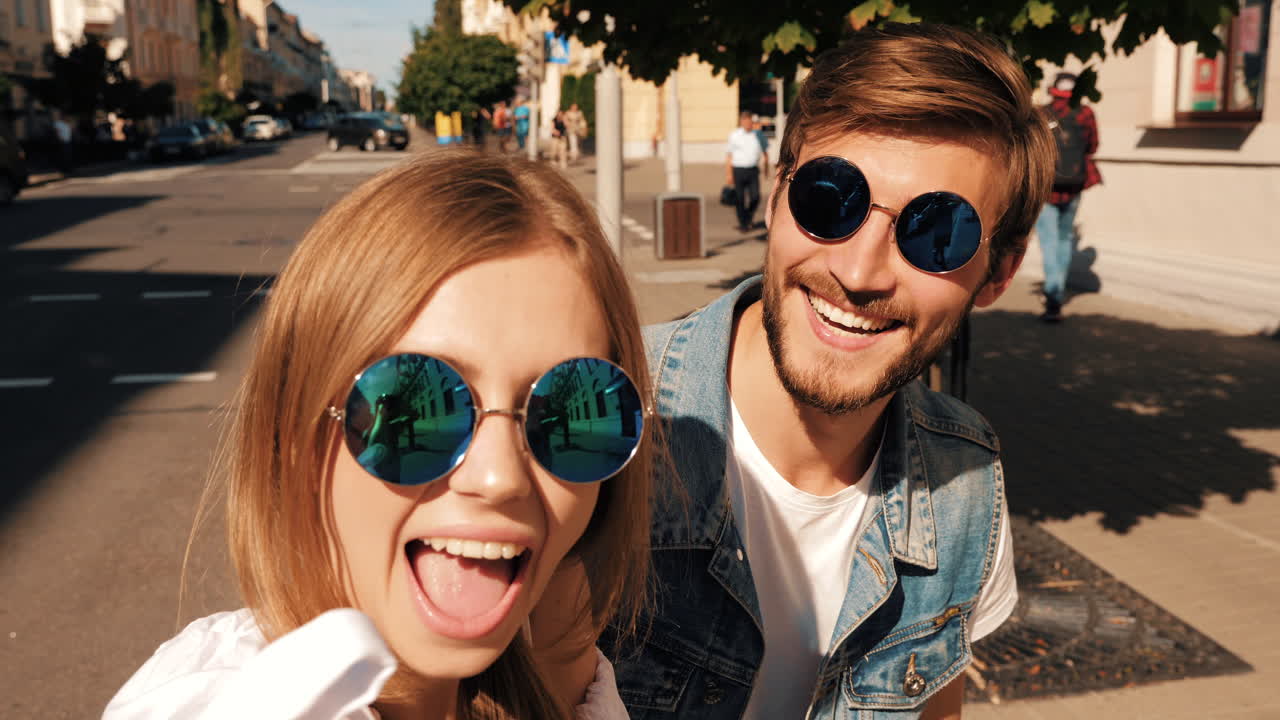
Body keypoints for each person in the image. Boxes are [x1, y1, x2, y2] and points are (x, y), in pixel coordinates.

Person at [537, 23, 1055, 719]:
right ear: (777, 196)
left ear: (998, 274)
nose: (858, 271)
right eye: (829, 197)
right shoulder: (605, 417)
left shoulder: (964, 482)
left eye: (938, 233)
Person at [103, 148, 656, 720]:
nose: (500, 477)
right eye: (413, 408)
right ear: (295, 432)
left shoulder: (552, 680)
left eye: (572, 411)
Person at [1036, 71, 1101, 322]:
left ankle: (1053, 293)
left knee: (1049, 241)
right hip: (1074, 184)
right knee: (1064, 239)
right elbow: (1093, 146)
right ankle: (1057, 290)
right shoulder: (1085, 113)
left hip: (1047, 187)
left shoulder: (1042, 114)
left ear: (1053, 89)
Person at [725, 110, 766, 232]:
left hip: (753, 170)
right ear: (741, 122)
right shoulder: (734, 135)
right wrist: (729, 174)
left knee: (755, 197)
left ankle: (747, 216)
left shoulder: (758, 135)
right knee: (739, 198)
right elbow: (729, 155)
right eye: (745, 121)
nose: (748, 123)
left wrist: (766, 169)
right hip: (738, 170)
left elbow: (765, 152)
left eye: (749, 121)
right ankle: (743, 223)